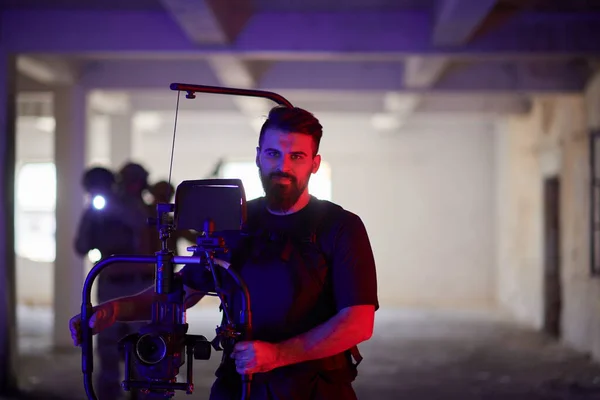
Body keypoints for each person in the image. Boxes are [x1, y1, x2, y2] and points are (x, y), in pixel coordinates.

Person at [70, 106, 379, 400]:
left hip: (314, 388)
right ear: (258, 157)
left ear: (314, 162)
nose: (283, 167)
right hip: (241, 384)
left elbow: (358, 323)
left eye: (296, 156)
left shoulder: (340, 227)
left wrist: (279, 354)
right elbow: (181, 292)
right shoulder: (235, 222)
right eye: (273, 154)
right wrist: (114, 310)